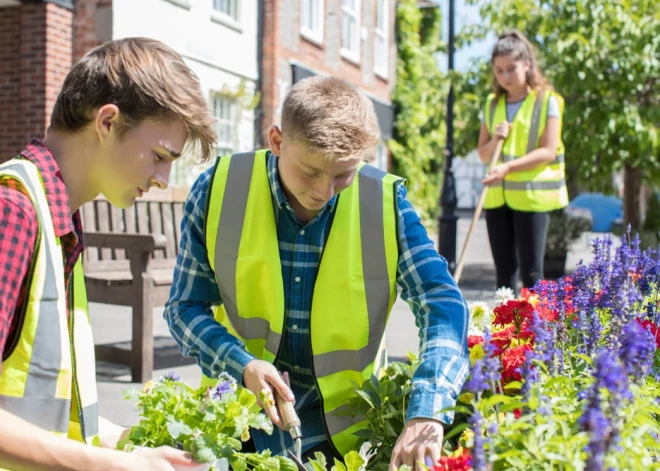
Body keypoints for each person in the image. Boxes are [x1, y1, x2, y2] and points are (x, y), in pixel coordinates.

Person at [165, 76, 469, 471]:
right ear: (276, 141)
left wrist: (427, 409)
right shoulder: (217, 189)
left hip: (350, 433)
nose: (325, 191)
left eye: (343, 175)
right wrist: (240, 364)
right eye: (310, 172)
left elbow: (442, 302)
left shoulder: (386, 203)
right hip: (239, 420)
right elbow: (184, 307)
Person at [0, 37, 216, 470]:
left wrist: (132, 445)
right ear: (108, 122)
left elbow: (50, 409)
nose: (161, 177)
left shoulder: (58, 218)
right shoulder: (14, 209)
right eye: (159, 155)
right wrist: (111, 465)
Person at [478, 30, 568, 294]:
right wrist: (495, 141)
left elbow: (548, 151)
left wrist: (507, 169)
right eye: (498, 70)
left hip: (532, 197)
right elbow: (483, 154)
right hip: (496, 197)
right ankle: (507, 335)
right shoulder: (491, 104)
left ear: (527, 64)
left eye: (510, 69)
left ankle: (537, 334)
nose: (504, 76)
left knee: (532, 275)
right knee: (504, 278)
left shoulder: (548, 101)